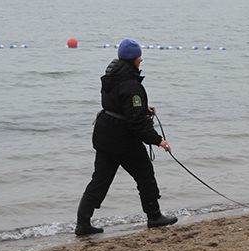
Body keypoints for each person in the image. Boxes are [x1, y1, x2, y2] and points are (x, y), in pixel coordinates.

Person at [75, 39, 178, 235]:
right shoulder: (131, 85)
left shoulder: (111, 77)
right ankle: (154, 216)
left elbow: (116, 105)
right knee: (145, 174)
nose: (141, 59)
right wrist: (158, 140)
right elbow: (136, 124)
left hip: (105, 134)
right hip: (121, 138)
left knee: (100, 179)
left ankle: (82, 223)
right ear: (132, 59)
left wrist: (142, 109)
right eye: (139, 56)